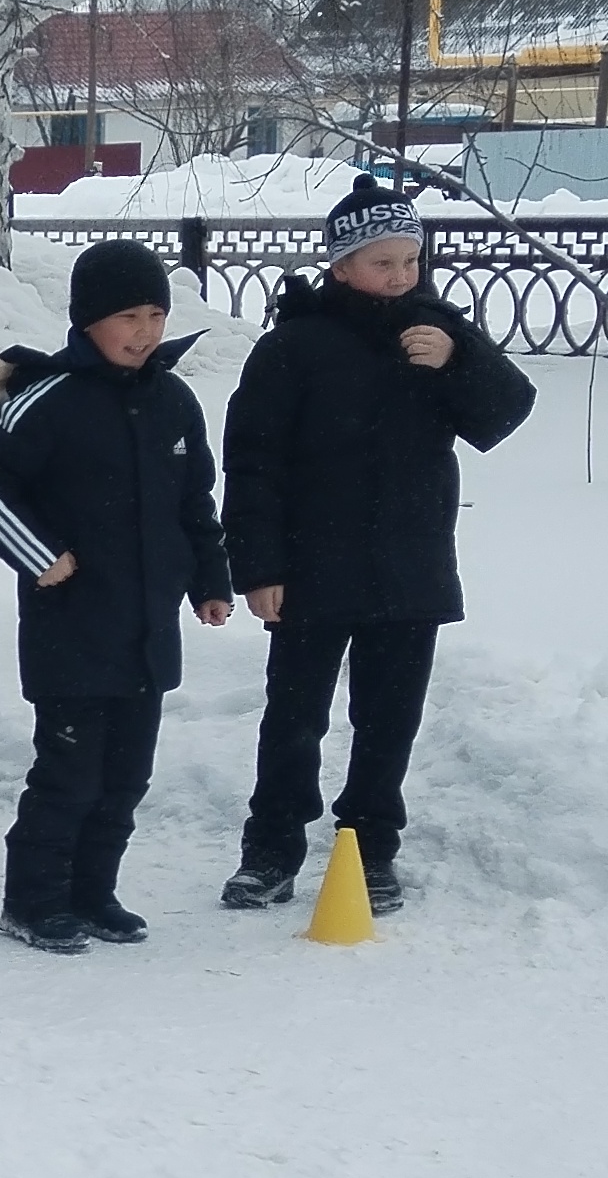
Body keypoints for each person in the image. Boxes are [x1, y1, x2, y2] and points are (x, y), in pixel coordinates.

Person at [220, 177, 536, 913]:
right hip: (310, 569)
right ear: (340, 267)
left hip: (409, 568)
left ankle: (369, 849)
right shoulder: (294, 345)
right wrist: (258, 567)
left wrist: (457, 359)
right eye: (381, 263)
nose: (399, 277)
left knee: (389, 719)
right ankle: (270, 849)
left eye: (409, 261)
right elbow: (253, 461)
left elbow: (507, 412)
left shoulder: (436, 331)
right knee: (294, 717)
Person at [0, 239, 235, 952]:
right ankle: (32, 900)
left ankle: (92, 891)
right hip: (72, 629)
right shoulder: (50, 399)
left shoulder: (175, 401)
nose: (145, 331)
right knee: (69, 775)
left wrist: (210, 578)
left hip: (146, 630)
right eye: (128, 316)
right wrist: (38, 555)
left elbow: (195, 501)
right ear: (86, 321)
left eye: (156, 315)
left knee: (126, 777)